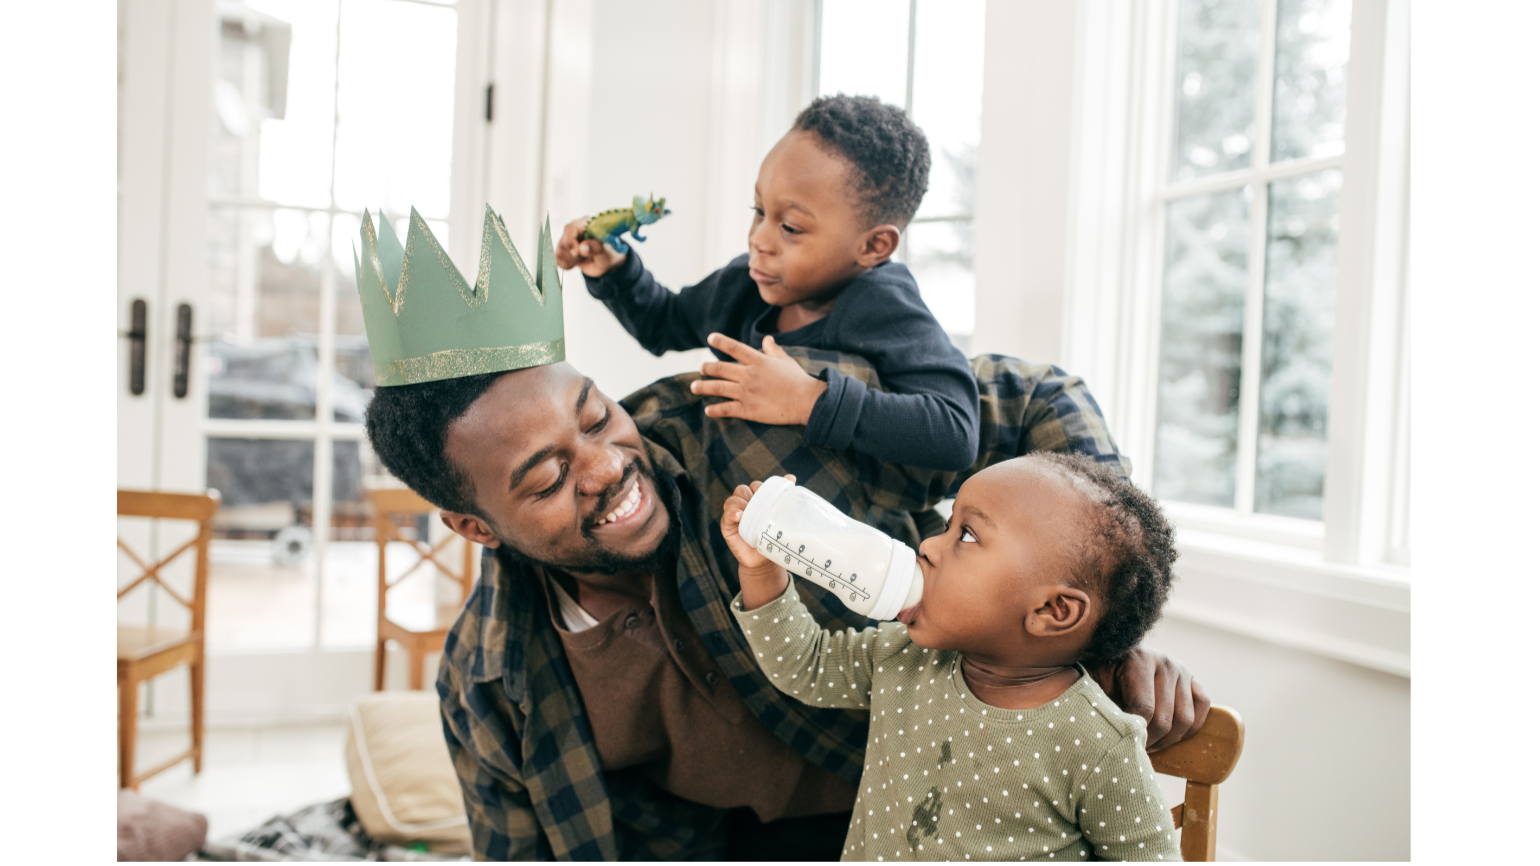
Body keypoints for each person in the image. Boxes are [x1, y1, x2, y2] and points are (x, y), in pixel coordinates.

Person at [354, 207, 1209, 860]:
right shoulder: (488, 679)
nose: (607, 466)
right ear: (474, 527)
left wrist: (1099, 625)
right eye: (544, 478)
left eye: (595, 415)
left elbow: (1036, 398)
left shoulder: (754, 416)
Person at [723, 455, 1182, 860]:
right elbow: (807, 666)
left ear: (1052, 611)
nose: (927, 544)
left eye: (966, 535)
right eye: (948, 525)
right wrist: (761, 569)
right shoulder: (903, 657)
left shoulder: (1099, 744)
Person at [557, 95, 980, 473]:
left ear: (874, 246)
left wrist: (808, 399)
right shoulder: (741, 285)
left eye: (791, 227)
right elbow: (662, 324)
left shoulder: (885, 306)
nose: (758, 239)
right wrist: (613, 269)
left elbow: (956, 433)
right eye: (758, 210)